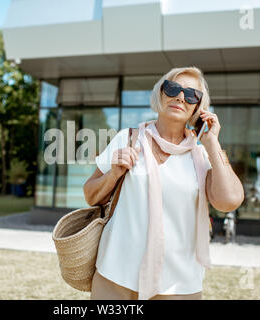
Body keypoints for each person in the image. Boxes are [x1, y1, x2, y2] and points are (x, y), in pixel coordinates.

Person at [83, 66, 244, 300]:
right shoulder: (127, 139)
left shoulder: (202, 155)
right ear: (161, 93)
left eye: (191, 95)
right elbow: (90, 195)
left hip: (178, 285)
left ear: (198, 108)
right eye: (173, 88)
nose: (180, 97)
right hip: (115, 276)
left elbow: (229, 201)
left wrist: (211, 142)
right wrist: (114, 174)